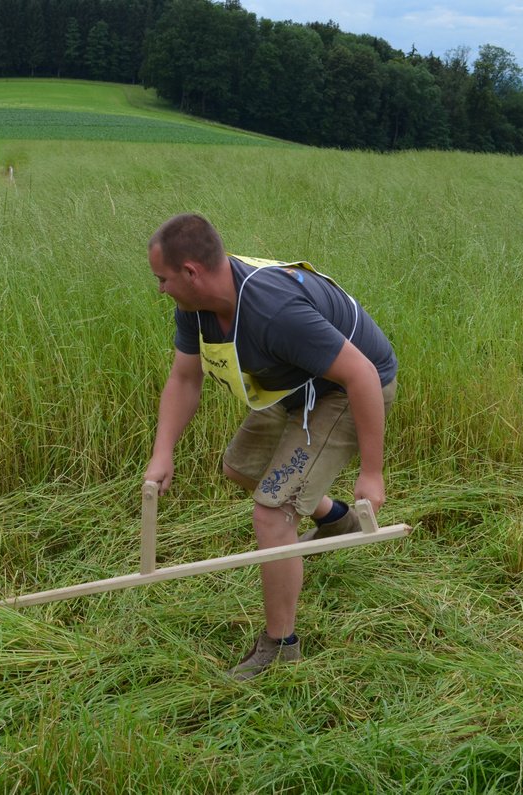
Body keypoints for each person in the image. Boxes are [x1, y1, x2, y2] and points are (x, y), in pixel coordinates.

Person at [143, 213, 398, 680]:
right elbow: (185, 377)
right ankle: (333, 519)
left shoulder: (274, 311)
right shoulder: (195, 305)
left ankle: (281, 647)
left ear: (191, 272)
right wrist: (163, 451)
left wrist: (372, 472)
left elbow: (361, 373)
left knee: (271, 513)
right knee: (241, 467)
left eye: (163, 279)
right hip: (290, 384)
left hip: (348, 390)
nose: (160, 289)